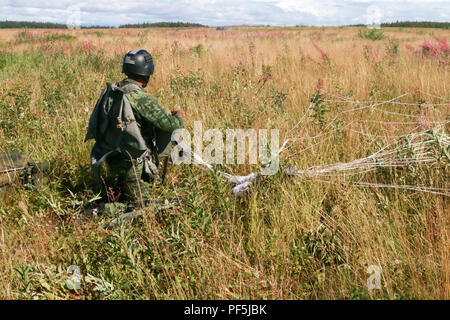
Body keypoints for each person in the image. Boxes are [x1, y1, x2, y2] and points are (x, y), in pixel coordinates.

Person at [85, 49, 183, 203]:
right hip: (133, 169)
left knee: (117, 198)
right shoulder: (138, 98)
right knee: (144, 206)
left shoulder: (111, 92)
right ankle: (96, 212)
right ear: (146, 73)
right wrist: (178, 115)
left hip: (109, 162)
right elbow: (171, 125)